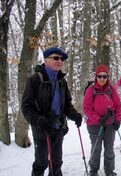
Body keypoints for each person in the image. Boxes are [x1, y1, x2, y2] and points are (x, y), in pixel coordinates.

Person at [21, 47, 83, 176]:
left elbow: (66, 104)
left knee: (56, 163)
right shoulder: (35, 79)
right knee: (41, 162)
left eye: (62, 59)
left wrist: (74, 115)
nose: (59, 61)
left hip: (58, 126)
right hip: (41, 128)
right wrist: (39, 121)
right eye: (56, 58)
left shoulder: (62, 81)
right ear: (46, 59)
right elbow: (26, 106)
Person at [83, 65, 121, 176]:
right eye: (99, 76)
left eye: (104, 76)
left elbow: (119, 107)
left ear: (107, 77)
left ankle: (109, 170)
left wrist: (118, 120)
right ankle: (93, 170)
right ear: (96, 77)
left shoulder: (111, 89)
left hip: (110, 123)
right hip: (94, 124)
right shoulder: (91, 89)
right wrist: (98, 119)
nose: (102, 78)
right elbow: (87, 108)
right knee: (96, 148)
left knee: (109, 148)